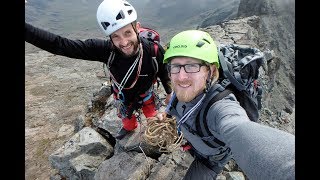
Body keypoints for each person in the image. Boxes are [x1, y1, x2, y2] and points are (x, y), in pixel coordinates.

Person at [25, 0, 172, 140]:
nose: (124, 42)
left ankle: (152, 130)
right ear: (110, 38)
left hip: (146, 94)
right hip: (124, 97)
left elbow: (163, 72)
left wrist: (169, 92)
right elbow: (60, 45)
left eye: (127, 33)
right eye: (116, 36)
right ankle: (129, 128)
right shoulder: (106, 51)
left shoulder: (153, 50)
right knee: (127, 121)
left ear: (137, 27)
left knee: (152, 117)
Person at [158, 30, 295, 180]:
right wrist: (167, 114)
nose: (181, 77)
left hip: (209, 160)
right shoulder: (181, 91)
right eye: (175, 66)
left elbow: (237, 127)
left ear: (211, 71)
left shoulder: (220, 107)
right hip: (195, 141)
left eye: (192, 66)